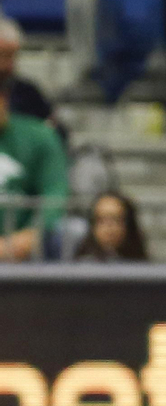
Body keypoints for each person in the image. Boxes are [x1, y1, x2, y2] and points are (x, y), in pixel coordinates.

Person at [0, 87, 69, 261]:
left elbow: (55, 193)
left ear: (4, 100)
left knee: (69, 230)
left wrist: (33, 232)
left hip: (27, 236)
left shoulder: (40, 135)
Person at [0, 17, 61, 133]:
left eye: (13, 56)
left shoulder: (27, 93)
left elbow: (55, 130)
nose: (10, 65)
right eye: (4, 56)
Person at [73, 190, 147, 261]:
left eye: (116, 220)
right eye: (102, 220)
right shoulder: (80, 268)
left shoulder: (143, 268)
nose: (109, 228)